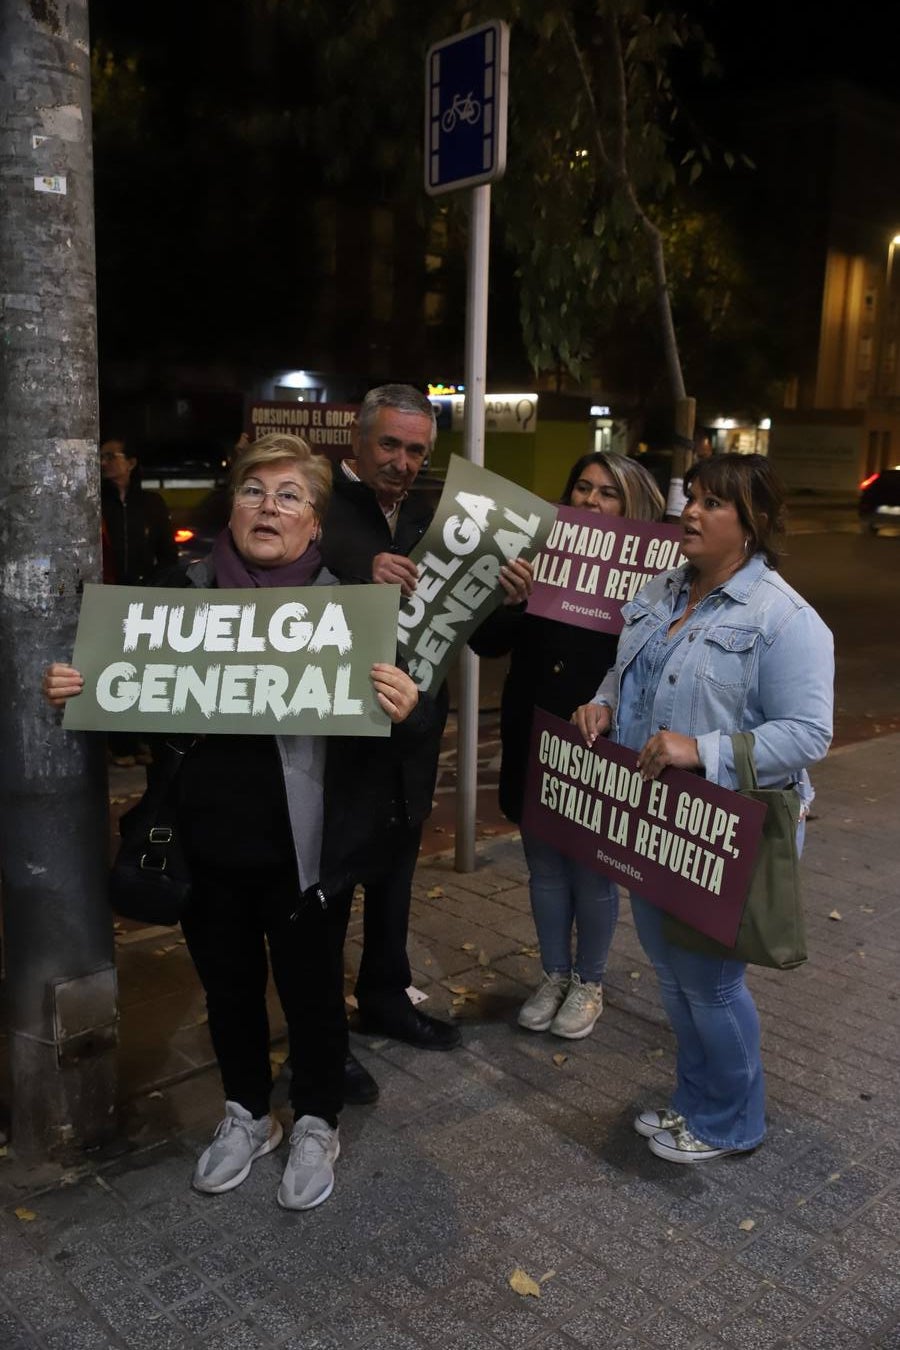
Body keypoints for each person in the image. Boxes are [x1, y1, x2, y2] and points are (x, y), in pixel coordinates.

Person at [44, 433, 434, 1210]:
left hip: (304, 849)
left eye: (290, 496)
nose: (269, 507)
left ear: (315, 523)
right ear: (234, 505)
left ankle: (318, 1116)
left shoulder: (347, 607)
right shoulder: (181, 589)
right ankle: (248, 1114)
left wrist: (407, 707)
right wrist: (77, 685)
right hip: (204, 843)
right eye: (255, 491)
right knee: (228, 989)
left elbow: (396, 732)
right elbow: (124, 692)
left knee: (312, 990)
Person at [573, 453, 833, 1163]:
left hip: (724, 828)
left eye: (713, 504)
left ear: (751, 528)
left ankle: (732, 1121)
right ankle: (697, 1101)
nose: (689, 511)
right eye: (693, 497)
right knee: (670, 973)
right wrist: (600, 704)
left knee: (711, 987)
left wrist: (704, 749)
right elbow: (628, 668)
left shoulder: (783, 618)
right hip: (653, 820)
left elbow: (808, 734)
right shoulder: (661, 588)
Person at [319, 383, 532, 1094]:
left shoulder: (437, 515)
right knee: (328, 888)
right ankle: (321, 1033)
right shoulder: (314, 503)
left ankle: (385, 997)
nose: (402, 462)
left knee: (395, 878)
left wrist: (507, 599)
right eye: (390, 444)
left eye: (416, 450)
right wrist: (358, 575)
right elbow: (275, 593)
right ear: (359, 437)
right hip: (332, 740)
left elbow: (484, 641)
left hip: (411, 739)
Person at [472, 453, 665, 1040]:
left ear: (630, 506)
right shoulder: (537, 559)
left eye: (607, 493)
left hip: (600, 739)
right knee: (544, 867)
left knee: (592, 870)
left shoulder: (654, 583)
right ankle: (553, 975)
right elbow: (486, 644)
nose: (590, 500)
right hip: (534, 730)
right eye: (582, 486)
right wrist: (510, 599)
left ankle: (589, 982)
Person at [99, 437, 178, 766]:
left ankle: (144, 740)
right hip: (110, 597)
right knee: (115, 671)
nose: (105, 462)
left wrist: (165, 590)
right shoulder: (95, 502)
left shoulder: (151, 503)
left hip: (147, 598)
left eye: (111, 456)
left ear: (131, 462)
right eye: (101, 457)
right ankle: (121, 745)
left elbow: (168, 554)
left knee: (145, 672)